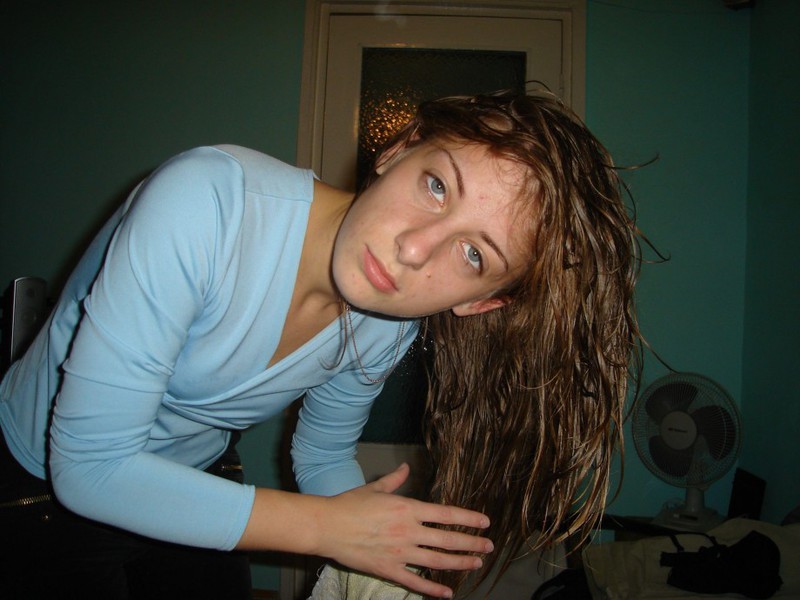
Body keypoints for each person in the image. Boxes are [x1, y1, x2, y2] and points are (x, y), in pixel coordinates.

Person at [0, 88, 641, 599]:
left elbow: (322, 451)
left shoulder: (389, 320)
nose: (414, 249)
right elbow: (89, 469)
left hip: (194, 474)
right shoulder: (207, 204)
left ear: (480, 303)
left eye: (474, 254)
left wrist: (380, 556)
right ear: (400, 148)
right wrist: (327, 529)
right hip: (43, 482)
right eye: (437, 186)